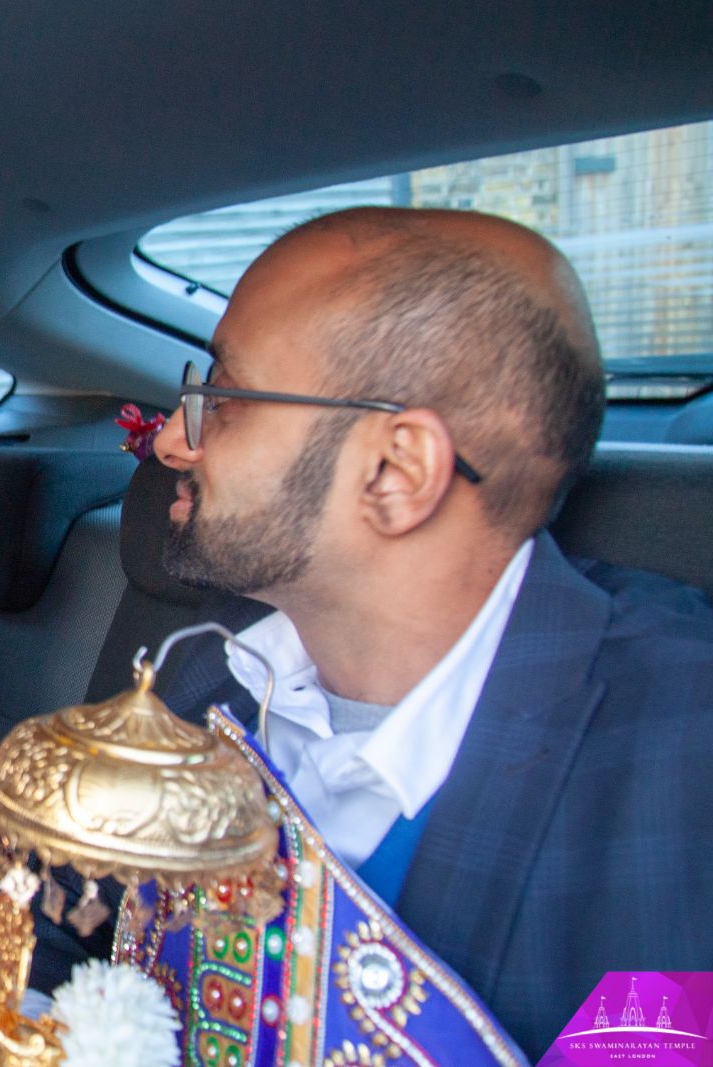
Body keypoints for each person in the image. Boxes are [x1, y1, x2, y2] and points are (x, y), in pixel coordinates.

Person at [142, 206, 713, 1058]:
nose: (169, 439)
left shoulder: (681, 760)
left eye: (221, 399)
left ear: (396, 471)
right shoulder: (199, 686)